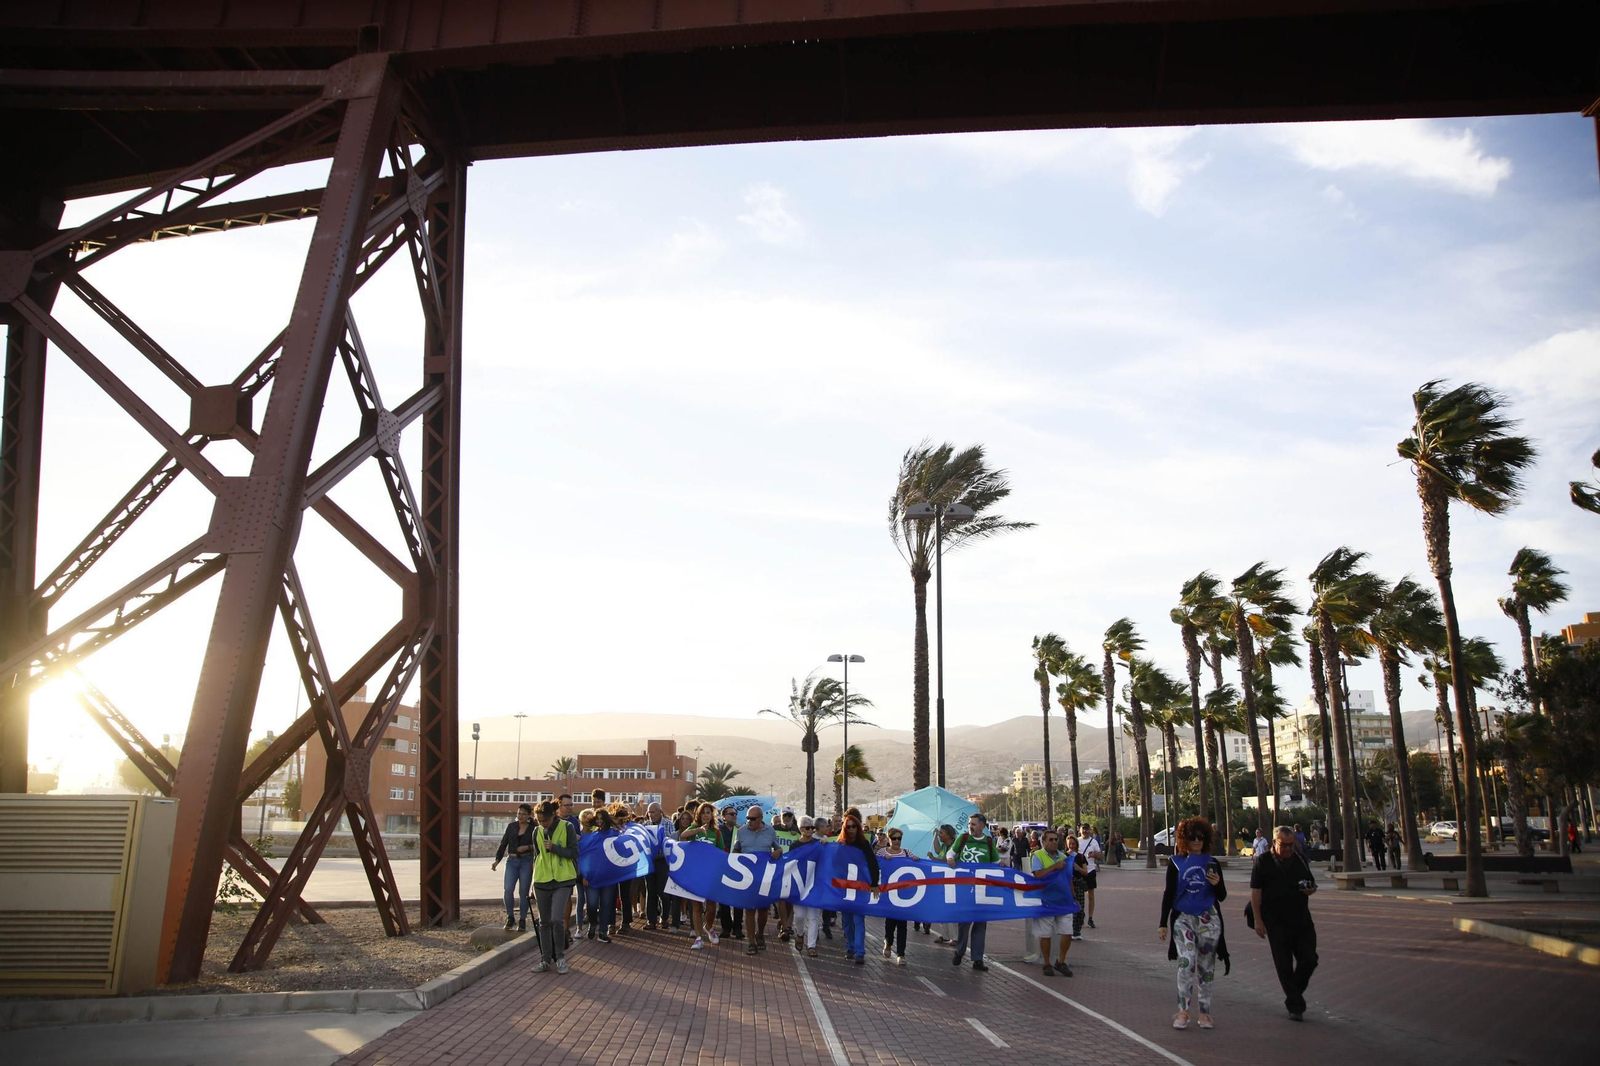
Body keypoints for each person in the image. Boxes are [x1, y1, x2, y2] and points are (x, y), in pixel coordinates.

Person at [1159, 817, 1229, 1030]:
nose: (1197, 841)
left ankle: (1204, 1012)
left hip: (1208, 919)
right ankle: (1183, 1011)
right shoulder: (1176, 863)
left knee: (1206, 967)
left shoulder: (1212, 862)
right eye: (1192, 837)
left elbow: (1222, 896)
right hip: (1183, 919)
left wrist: (1217, 884)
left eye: (1200, 837)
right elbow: (1168, 893)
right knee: (1186, 962)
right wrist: (1163, 923)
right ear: (1184, 839)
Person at [1252, 826, 1319, 1021]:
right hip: (1276, 922)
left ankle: (1293, 994)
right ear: (1274, 842)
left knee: (1309, 959)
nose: (1289, 849)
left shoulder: (1299, 858)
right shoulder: (1263, 861)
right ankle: (1295, 1006)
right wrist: (1258, 920)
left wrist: (1311, 889)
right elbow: (1255, 892)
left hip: (1301, 919)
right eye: (1285, 845)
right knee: (1284, 965)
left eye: (1292, 845)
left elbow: (1311, 882)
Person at [530, 799, 579, 974]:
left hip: (562, 879)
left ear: (553, 815)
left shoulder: (567, 827)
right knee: (544, 922)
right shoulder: (536, 831)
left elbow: (574, 852)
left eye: (545, 820)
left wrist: (555, 848)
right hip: (542, 880)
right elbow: (536, 857)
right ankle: (545, 959)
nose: (542, 824)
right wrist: (532, 883)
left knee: (557, 919)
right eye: (539, 821)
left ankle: (560, 957)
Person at [948, 813, 998, 972]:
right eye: (969, 824)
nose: (970, 826)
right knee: (964, 923)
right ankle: (960, 951)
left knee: (980, 925)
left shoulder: (989, 842)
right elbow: (951, 853)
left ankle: (977, 959)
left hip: (982, 889)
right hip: (965, 888)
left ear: (982, 826)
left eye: (974, 824)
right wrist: (950, 859)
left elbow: (995, 862)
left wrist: (1001, 867)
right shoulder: (963, 838)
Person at [1029, 829, 1081, 976]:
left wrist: (1073, 896)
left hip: (1063, 900)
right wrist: (1054, 867)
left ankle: (1061, 961)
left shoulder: (1063, 857)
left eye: (1056, 839)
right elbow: (1038, 875)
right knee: (1045, 934)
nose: (1054, 842)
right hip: (1046, 900)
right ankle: (1047, 963)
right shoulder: (1037, 856)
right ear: (1043, 841)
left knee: (1067, 932)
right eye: (1050, 840)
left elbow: (1068, 878)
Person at [734, 804, 783, 956]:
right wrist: (736, 857)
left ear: (761, 818)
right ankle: (751, 942)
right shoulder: (741, 831)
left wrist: (778, 852)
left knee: (762, 909)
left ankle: (760, 933)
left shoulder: (770, 831)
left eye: (753, 818)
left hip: (764, 877)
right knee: (749, 909)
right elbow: (736, 849)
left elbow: (778, 848)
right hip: (747, 877)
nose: (749, 821)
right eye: (748, 818)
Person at [836, 813, 881, 964]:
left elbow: (873, 863)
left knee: (858, 920)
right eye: (848, 827)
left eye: (854, 826)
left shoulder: (864, 844)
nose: (851, 830)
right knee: (847, 921)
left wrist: (874, 883)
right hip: (845, 889)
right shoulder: (840, 844)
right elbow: (832, 860)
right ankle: (850, 947)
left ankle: (860, 951)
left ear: (858, 827)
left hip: (860, 887)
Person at [677, 801, 720, 950]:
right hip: (695, 873)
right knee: (696, 906)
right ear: (698, 815)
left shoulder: (716, 832)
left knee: (711, 908)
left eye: (708, 813)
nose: (706, 815)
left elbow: (722, 852)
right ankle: (698, 938)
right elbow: (682, 836)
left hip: (711, 874)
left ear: (712, 815)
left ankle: (708, 927)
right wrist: (698, 830)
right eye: (703, 813)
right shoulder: (694, 828)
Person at [491, 803, 537, 932]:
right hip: (511, 861)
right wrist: (497, 860)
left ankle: (522, 920)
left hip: (526, 861)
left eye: (523, 814)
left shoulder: (534, 828)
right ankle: (510, 917)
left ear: (529, 815)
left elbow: (538, 845)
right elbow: (503, 843)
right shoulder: (511, 826)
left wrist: (527, 847)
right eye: (519, 814)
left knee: (523, 892)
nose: (520, 816)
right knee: (508, 889)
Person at [582, 807, 619, 943]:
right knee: (592, 904)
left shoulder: (615, 834)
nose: (599, 821)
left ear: (606, 820)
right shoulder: (591, 836)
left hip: (609, 876)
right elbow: (585, 857)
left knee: (606, 904)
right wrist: (584, 875)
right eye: (597, 819)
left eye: (602, 819)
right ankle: (593, 923)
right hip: (592, 876)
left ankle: (603, 932)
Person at [789, 817, 823, 957]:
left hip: (814, 885)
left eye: (812, 828)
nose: (811, 830)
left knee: (814, 917)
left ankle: (811, 946)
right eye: (808, 828)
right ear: (801, 829)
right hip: (799, 885)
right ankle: (800, 934)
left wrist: (825, 843)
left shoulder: (818, 844)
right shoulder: (794, 846)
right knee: (799, 915)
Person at [876, 828, 910, 965]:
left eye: (899, 838)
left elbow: (915, 867)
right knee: (890, 923)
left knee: (902, 924)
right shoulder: (882, 852)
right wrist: (883, 861)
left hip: (903, 894)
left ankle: (901, 954)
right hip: (889, 893)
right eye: (894, 838)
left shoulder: (906, 853)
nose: (897, 841)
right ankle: (888, 942)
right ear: (889, 839)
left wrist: (915, 860)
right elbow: (875, 866)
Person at [643, 801, 677, 930]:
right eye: (649, 812)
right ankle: (651, 921)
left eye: (653, 812)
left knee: (663, 891)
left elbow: (673, 842)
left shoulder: (668, 824)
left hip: (663, 861)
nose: (651, 815)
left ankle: (664, 917)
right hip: (650, 862)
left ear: (660, 811)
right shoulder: (645, 825)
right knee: (650, 890)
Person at [715, 804, 745, 940]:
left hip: (738, 868)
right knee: (724, 900)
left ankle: (737, 928)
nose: (734, 816)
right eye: (731, 814)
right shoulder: (718, 831)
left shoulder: (741, 831)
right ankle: (726, 928)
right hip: (723, 867)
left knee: (738, 899)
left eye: (735, 814)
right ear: (723, 817)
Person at [926, 824, 958, 943]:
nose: (939, 835)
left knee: (952, 909)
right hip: (942, 880)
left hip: (952, 881)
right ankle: (945, 935)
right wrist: (934, 836)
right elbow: (937, 850)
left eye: (941, 833)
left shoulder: (954, 846)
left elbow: (946, 861)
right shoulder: (944, 846)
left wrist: (933, 859)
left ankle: (956, 937)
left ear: (948, 835)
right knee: (941, 907)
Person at [558, 794, 583, 938]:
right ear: (559, 806)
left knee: (567, 895)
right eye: (566, 805)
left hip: (569, 863)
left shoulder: (574, 822)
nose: (569, 808)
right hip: (554, 864)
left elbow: (578, 840)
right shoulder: (553, 820)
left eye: (571, 805)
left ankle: (566, 929)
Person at [1077, 824, 1103, 930]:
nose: (1085, 831)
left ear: (1090, 831)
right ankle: (1080, 915)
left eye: (1087, 829)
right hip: (1079, 871)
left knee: (1090, 895)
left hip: (1090, 871)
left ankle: (1090, 918)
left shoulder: (1093, 842)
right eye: (1083, 829)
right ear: (1080, 830)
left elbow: (1100, 856)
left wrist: (1094, 855)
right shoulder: (1076, 841)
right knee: (1078, 896)